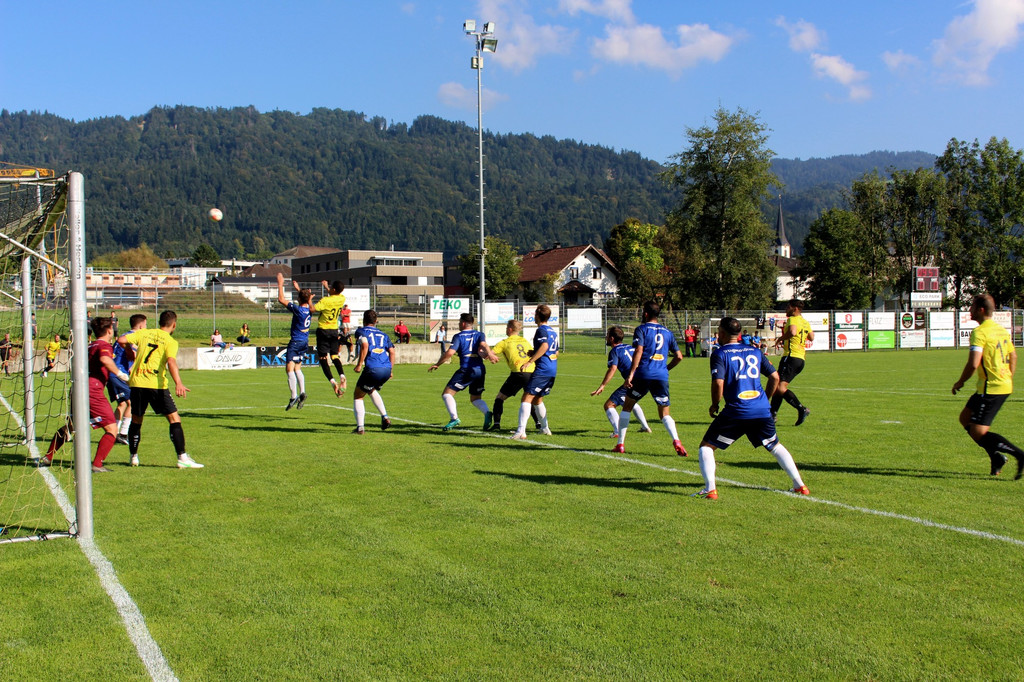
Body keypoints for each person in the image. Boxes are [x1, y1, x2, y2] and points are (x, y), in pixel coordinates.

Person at [694, 317, 809, 499]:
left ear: (721, 333)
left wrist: (715, 404)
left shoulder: (720, 354)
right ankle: (800, 485)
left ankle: (710, 489)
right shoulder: (754, 351)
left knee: (706, 447)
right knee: (774, 445)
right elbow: (775, 377)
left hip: (737, 410)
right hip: (761, 409)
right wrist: (765, 399)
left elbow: (718, 382)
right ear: (740, 333)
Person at [40, 317, 131, 472]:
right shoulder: (104, 345)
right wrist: (121, 374)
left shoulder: (90, 345)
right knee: (112, 429)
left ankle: (48, 457)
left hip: (79, 387)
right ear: (109, 330)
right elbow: (105, 359)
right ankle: (97, 464)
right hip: (92, 390)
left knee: (72, 426)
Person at [117, 310, 202, 469]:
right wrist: (178, 383)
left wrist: (128, 349)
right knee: (174, 419)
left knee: (136, 420)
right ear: (174, 325)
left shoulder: (144, 333)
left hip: (137, 382)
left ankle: (133, 457)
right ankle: (182, 457)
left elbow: (121, 339)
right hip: (156, 385)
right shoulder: (170, 341)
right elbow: (171, 362)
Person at [952, 294, 1024, 479]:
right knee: (965, 418)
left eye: (972, 307)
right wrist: (1008, 376)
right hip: (994, 385)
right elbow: (1013, 356)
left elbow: (973, 364)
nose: (970, 310)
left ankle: (1019, 455)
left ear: (981, 310)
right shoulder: (1001, 330)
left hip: (992, 388)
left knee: (978, 432)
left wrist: (960, 382)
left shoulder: (980, 332)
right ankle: (996, 457)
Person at [614, 301, 685, 456]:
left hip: (643, 374)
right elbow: (679, 356)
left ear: (645, 314)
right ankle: (677, 441)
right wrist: (665, 369)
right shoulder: (668, 332)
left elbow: (638, 351)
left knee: (627, 406)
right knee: (664, 413)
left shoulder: (641, 329)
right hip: (661, 376)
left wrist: (631, 374)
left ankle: (620, 444)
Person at [428, 312, 498, 431]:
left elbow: (450, 353)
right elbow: (484, 345)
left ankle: (454, 418)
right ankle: (487, 412)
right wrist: (490, 354)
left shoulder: (458, 336)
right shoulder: (479, 334)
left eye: (459, 322)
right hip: (480, 370)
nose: (459, 324)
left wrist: (437, 364)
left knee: (447, 394)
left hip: (466, 369)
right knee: (475, 398)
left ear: (464, 323)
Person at [591, 326, 653, 437]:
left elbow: (612, 368)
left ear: (612, 338)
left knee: (609, 405)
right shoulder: (630, 347)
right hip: (646, 378)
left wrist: (602, 385)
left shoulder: (615, 351)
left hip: (633, 380)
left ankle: (617, 432)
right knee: (630, 401)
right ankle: (645, 427)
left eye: (607, 335)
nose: (606, 337)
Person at [512, 305, 559, 440]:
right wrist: (535, 352)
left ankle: (520, 431)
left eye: (535, 314)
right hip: (551, 369)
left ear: (538, 316)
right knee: (538, 399)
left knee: (526, 397)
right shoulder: (552, 331)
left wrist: (530, 361)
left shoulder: (541, 330)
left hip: (542, 369)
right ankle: (545, 428)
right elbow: (555, 352)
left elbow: (544, 346)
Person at [488, 319, 541, 433]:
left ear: (510, 329)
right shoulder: (524, 340)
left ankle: (496, 424)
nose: (506, 329)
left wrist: (491, 356)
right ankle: (539, 423)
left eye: (506, 328)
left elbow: (491, 353)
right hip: (532, 371)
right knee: (530, 398)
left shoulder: (505, 342)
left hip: (518, 373)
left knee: (499, 398)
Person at [352, 309, 395, 434]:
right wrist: (391, 370)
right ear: (376, 321)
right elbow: (392, 352)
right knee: (370, 389)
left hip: (373, 368)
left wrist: (359, 364)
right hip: (386, 369)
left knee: (358, 395)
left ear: (364, 320)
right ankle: (385, 417)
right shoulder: (383, 334)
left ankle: (360, 428)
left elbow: (365, 345)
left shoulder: (361, 331)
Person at [771, 298, 814, 426]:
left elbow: (792, 332)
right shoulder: (805, 322)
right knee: (778, 385)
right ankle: (772, 414)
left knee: (780, 387)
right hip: (800, 358)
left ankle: (801, 409)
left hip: (791, 356)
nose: (786, 309)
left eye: (788, 307)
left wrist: (780, 339)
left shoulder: (792, 319)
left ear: (795, 309)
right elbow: (811, 337)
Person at [109, 314, 147, 445]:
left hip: (113, 373)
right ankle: (123, 433)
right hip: (119, 373)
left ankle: (113, 433)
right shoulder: (132, 338)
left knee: (123, 403)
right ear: (141, 325)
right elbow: (135, 355)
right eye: (145, 325)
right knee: (132, 402)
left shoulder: (124, 336)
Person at [277, 272, 313, 411]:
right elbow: (304, 299)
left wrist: (280, 283)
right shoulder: (309, 309)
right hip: (304, 342)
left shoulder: (298, 310)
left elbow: (281, 299)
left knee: (289, 369)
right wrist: (299, 290)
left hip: (296, 342)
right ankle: (302, 392)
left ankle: (293, 396)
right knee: (298, 368)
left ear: (299, 298)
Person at [312, 279, 347, 397]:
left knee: (323, 358)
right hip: (334, 330)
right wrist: (327, 287)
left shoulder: (325, 300)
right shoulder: (341, 298)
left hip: (323, 330)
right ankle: (342, 375)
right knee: (334, 356)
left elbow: (313, 309)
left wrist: (309, 299)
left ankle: (332, 381)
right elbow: (334, 295)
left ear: (334, 289)